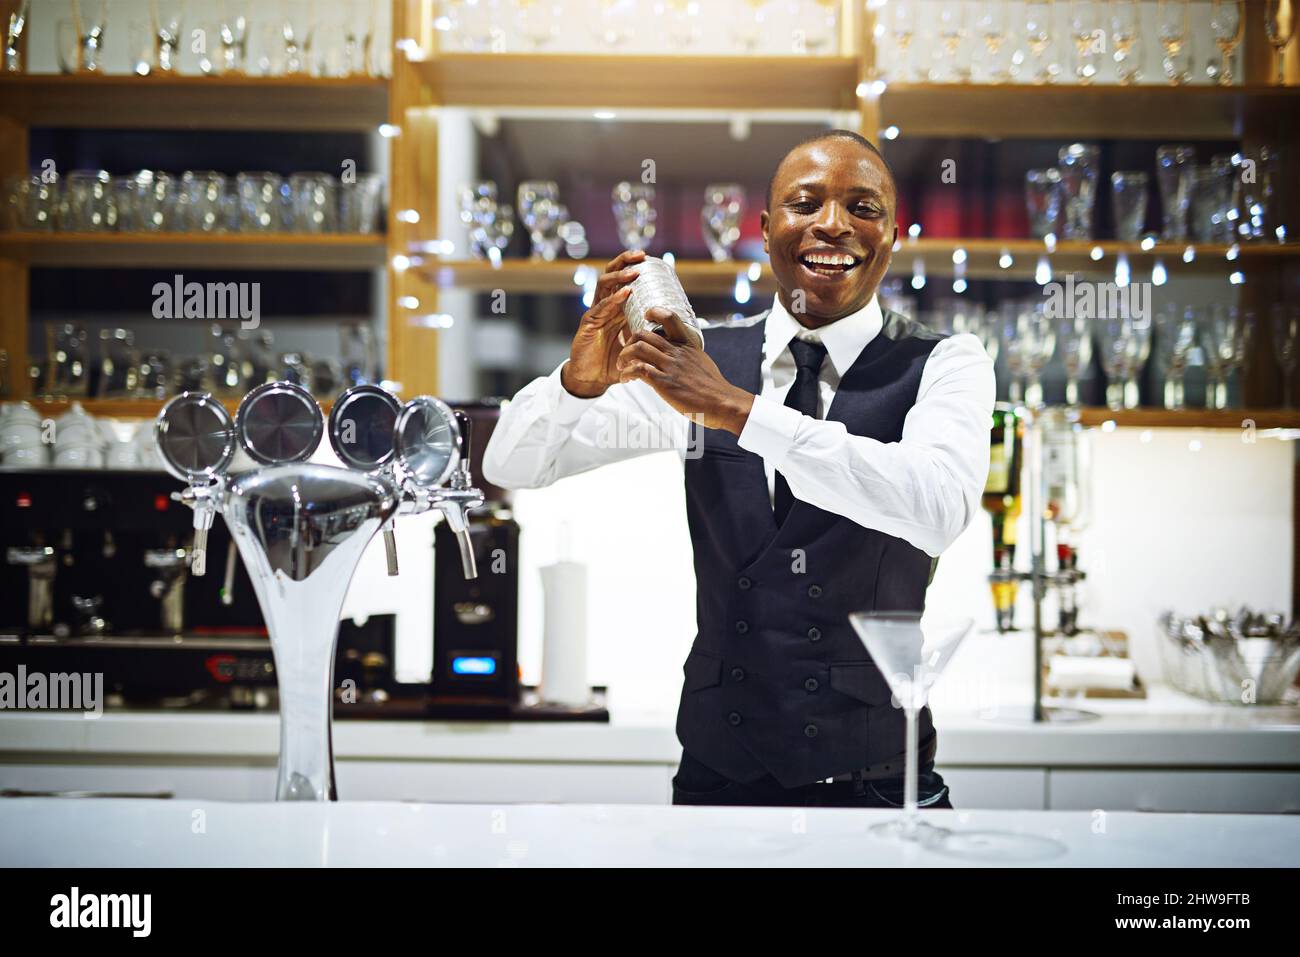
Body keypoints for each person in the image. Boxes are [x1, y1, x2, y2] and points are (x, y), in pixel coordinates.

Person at [483, 130, 995, 807]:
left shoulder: (945, 363)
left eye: (863, 208)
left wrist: (739, 411)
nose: (832, 224)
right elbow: (513, 462)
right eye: (805, 203)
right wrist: (575, 383)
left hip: (878, 781)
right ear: (765, 228)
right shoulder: (699, 358)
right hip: (719, 776)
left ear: (893, 235)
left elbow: (936, 505)